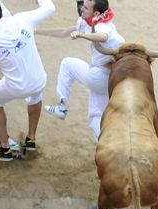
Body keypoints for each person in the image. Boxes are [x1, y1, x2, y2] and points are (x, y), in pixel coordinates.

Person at [0, 0, 55, 161]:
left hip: (16, 87)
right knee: (36, 96)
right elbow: (50, 7)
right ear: (0, 10)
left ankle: (5, 148)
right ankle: (31, 139)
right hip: (39, 79)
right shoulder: (22, 19)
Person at [37, 0, 124, 141]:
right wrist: (36, 31)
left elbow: (103, 36)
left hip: (101, 76)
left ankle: (62, 107)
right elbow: (64, 32)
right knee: (95, 115)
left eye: (86, 7)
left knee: (67, 64)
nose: (81, 9)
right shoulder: (88, 21)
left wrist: (82, 35)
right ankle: (104, 145)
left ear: (96, 13)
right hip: (111, 81)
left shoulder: (102, 24)